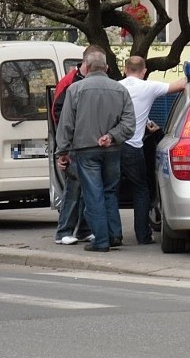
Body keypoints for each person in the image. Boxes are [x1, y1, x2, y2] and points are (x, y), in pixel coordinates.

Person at [55, 47, 135, 252]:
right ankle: (114, 234)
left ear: (87, 67)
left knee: (93, 194)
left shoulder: (75, 89)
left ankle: (101, 240)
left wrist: (62, 151)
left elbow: (66, 124)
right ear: (107, 68)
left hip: (85, 150)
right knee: (110, 192)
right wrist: (112, 136)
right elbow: (129, 124)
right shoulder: (120, 90)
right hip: (112, 149)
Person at [119, 56, 186, 244]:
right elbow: (178, 86)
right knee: (141, 190)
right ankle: (143, 235)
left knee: (109, 191)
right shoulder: (148, 87)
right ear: (144, 71)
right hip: (133, 147)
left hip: (112, 145)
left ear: (125, 70)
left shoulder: (116, 86)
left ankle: (112, 234)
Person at [51, 55, 93, 246]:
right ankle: (64, 231)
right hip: (75, 144)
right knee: (74, 189)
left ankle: (83, 230)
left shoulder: (88, 80)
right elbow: (58, 114)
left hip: (85, 143)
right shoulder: (68, 83)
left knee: (85, 190)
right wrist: (64, 147)